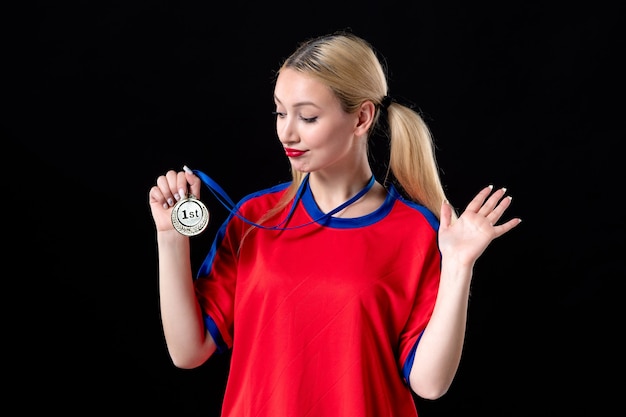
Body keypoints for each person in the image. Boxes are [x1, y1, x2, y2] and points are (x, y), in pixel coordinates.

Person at [148, 30, 521, 417]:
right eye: (280, 112)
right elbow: (188, 352)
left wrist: (459, 267)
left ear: (361, 117)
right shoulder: (254, 218)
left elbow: (429, 384)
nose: (286, 132)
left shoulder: (415, 231)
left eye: (307, 116)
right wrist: (170, 238)